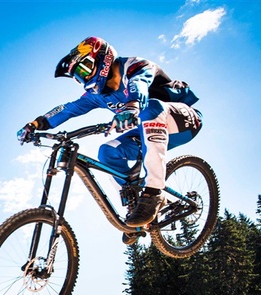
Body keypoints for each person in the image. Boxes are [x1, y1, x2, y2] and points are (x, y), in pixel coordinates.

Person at [17, 36, 203, 244]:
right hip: (146, 131)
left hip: (184, 121)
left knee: (150, 107)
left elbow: (139, 84)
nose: (84, 79)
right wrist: (35, 125)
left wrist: (132, 106)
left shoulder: (134, 66)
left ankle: (154, 192)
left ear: (102, 58)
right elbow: (69, 109)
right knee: (107, 151)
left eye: (85, 69)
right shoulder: (98, 95)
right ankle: (136, 209)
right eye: (79, 77)